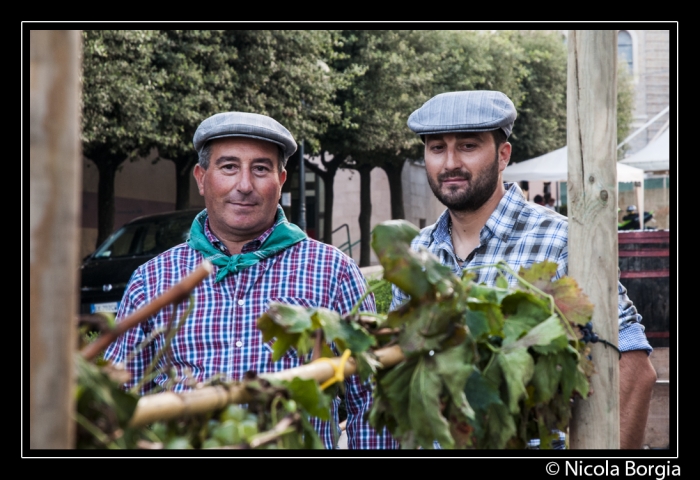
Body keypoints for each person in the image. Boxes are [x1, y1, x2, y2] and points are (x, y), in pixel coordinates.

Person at [104, 111, 398, 449]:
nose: (244, 185)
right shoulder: (153, 280)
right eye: (229, 167)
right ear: (201, 178)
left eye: (260, 169)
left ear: (282, 179)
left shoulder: (334, 271)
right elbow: (119, 402)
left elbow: (370, 402)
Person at [392, 90, 657, 449]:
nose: (450, 162)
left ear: (503, 156)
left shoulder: (562, 241)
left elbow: (634, 366)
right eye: (437, 148)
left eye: (468, 146)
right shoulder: (416, 253)